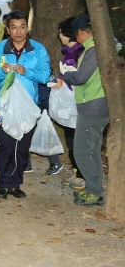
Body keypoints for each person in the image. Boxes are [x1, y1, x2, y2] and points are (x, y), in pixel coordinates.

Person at [0, 10, 50, 199]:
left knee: (22, 146)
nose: (18, 31)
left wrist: (26, 71)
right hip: (5, 104)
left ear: (27, 28)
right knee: (6, 144)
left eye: (22, 27)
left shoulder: (38, 49)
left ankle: (16, 183)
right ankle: (3, 184)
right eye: (14, 27)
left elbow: (44, 75)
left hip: (29, 106)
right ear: (7, 30)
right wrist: (2, 71)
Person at [62, 15, 109, 206]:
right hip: (96, 105)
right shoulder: (98, 46)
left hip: (92, 106)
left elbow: (81, 77)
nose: (76, 39)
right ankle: (95, 189)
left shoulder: (93, 49)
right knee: (92, 150)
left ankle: (94, 191)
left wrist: (66, 75)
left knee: (82, 151)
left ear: (81, 32)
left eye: (76, 35)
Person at [49, 17, 85, 187]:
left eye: (60, 32)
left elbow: (81, 78)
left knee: (79, 142)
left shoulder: (81, 52)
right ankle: (77, 173)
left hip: (80, 104)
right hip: (69, 104)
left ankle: (83, 176)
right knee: (71, 140)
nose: (58, 35)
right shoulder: (68, 52)